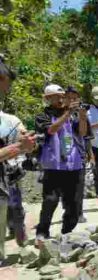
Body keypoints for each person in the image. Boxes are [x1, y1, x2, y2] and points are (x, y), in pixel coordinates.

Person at [35, 84, 89, 241]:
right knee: (50, 200)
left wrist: (83, 117)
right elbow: (51, 130)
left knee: (74, 203)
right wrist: (68, 113)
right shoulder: (42, 115)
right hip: (53, 165)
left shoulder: (73, 114)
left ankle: (67, 233)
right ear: (48, 99)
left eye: (62, 96)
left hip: (74, 164)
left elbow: (83, 132)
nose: (60, 99)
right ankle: (42, 231)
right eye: (56, 96)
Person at [0, 57, 37, 264]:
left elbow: (28, 142)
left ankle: (19, 233)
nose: (6, 92)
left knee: (15, 208)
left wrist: (29, 144)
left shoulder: (10, 121)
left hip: (9, 177)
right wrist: (17, 147)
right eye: (5, 87)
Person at [65, 86, 92, 223]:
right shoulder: (58, 113)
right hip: (63, 155)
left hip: (78, 154)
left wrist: (89, 153)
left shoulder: (81, 114)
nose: (72, 100)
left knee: (79, 185)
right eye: (69, 98)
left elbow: (85, 135)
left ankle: (79, 213)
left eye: (74, 98)